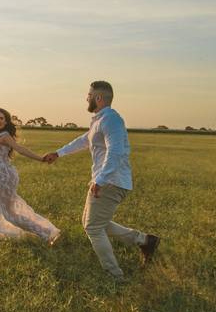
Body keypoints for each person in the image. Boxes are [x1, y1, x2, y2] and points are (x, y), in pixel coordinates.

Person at [43, 81, 159, 279]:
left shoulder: (111, 120)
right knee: (96, 223)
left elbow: (115, 151)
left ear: (98, 98)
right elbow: (84, 140)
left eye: (89, 95)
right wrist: (58, 153)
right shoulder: (99, 120)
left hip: (110, 182)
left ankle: (115, 276)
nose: (86, 98)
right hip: (105, 179)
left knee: (93, 227)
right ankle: (145, 241)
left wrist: (101, 179)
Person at [0, 108, 63, 245]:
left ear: (6, 121)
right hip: (0, 176)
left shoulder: (5, 135)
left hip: (5, 177)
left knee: (10, 215)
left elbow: (20, 149)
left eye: (1, 118)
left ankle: (48, 233)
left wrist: (40, 158)